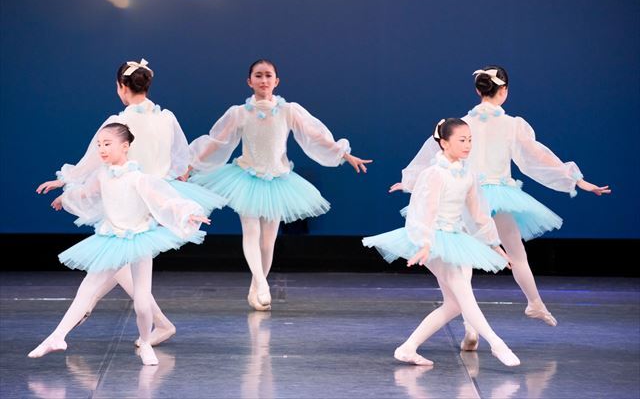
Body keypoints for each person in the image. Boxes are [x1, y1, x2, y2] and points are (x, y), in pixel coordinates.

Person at [391, 66, 610, 349]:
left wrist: (408, 181)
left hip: (465, 194)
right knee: (516, 254)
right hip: (499, 195)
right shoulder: (512, 125)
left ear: (478, 90)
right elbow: (537, 157)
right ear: (504, 91)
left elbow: (433, 151)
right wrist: (576, 180)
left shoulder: (461, 125)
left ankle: (471, 328)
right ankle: (534, 302)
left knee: (463, 261)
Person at [36, 58, 225, 345]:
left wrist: (65, 180)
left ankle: (93, 311)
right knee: (123, 261)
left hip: (130, 195)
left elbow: (93, 159)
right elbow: (180, 159)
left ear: (122, 87)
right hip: (157, 192)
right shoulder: (166, 117)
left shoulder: (119, 122)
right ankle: (153, 321)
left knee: (119, 258)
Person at [186, 59, 372, 310]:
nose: (263, 80)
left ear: (277, 81)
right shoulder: (239, 113)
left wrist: (344, 154)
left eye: (268, 75)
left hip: (278, 180)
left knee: (267, 241)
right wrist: (191, 165)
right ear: (249, 81)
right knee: (251, 232)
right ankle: (262, 285)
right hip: (246, 178)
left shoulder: (288, 110)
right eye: (258, 75)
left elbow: (315, 136)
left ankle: (255, 287)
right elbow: (216, 142)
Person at [29, 123, 210, 365]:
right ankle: (57, 336)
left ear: (125, 146)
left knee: (142, 303)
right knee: (86, 290)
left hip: (138, 240)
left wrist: (187, 212)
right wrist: (64, 196)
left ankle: (146, 342)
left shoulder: (138, 178)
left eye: (107, 144)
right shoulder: (102, 175)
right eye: (99, 145)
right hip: (111, 240)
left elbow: (163, 201)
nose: (102, 149)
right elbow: (84, 193)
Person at [364, 118, 520, 367]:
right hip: (434, 240)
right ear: (444, 143)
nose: (468, 145)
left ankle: (407, 348)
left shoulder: (467, 174)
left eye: (470, 140)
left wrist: (494, 245)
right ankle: (497, 344)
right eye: (462, 140)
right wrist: (426, 243)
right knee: (464, 294)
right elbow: (424, 211)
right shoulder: (434, 174)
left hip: (456, 238)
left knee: (454, 305)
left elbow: (479, 214)